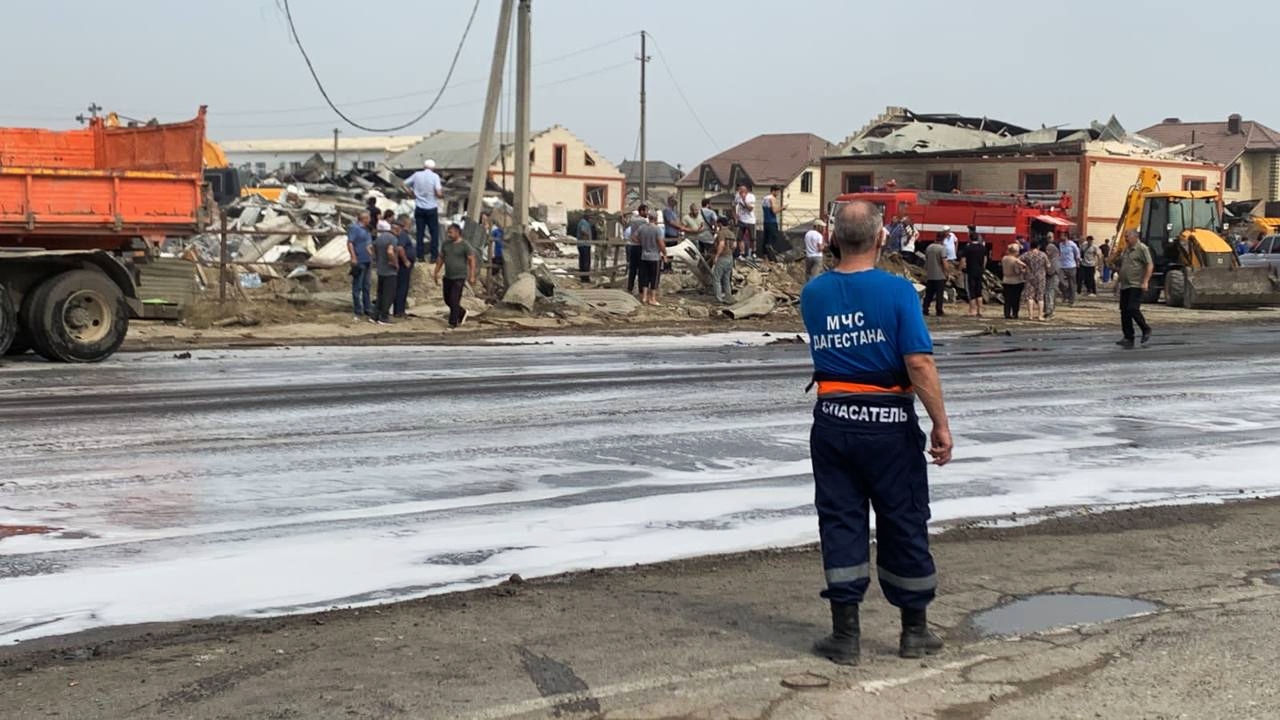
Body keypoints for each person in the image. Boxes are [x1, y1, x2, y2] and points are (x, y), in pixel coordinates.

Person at [800, 199, 952, 667]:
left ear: (832, 239)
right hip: (888, 424)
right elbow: (918, 362)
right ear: (882, 237)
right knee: (903, 518)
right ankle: (914, 632)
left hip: (832, 421)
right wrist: (940, 423)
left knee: (840, 520)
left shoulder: (814, 294)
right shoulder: (899, 291)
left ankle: (845, 636)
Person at [1114, 229, 1153, 349]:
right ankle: (1128, 337)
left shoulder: (1142, 248)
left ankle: (1145, 329)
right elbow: (1124, 267)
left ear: (1135, 237)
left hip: (1136, 284)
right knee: (1124, 311)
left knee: (1132, 308)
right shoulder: (1127, 249)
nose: (1125, 239)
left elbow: (1149, 265)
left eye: (1127, 237)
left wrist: (1145, 281)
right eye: (1125, 236)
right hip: (1125, 285)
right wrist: (1117, 282)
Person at [433, 223, 476, 329]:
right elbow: (441, 258)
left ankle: (452, 322)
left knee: (454, 299)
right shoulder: (446, 244)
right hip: (448, 276)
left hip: (459, 276)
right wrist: (436, 272)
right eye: (448, 232)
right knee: (447, 299)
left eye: (451, 232)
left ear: (457, 232)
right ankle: (462, 312)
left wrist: (472, 275)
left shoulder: (465, 245)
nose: (449, 234)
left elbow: (472, 259)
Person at [405, 159, 444, 262]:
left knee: (420, 233)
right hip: (431, 208)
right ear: (433, 168)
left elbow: (404, 184)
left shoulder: (416, 175)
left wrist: (411, 193)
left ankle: (420, 256)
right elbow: (438, 192)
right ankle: (433, 256)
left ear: (424, 167)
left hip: (419, 207)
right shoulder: (435, 176)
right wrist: (441, 195)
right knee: (434, 233)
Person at [346, 211, 374, 320]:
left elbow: (368, 245)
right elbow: (350, 243)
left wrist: (372, 256)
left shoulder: (367, 230)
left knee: (366, 285)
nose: (370, 220)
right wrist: (353, 256)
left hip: (367, 259)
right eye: (369, 218)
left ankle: (367, 307)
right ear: (364, 218)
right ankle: (358, 308)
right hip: (359, 259)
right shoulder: (355, 228)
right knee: (357, 285)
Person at [372, 220, 399, 324]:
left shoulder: (380, 237)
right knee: (388, 295)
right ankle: (384, 317)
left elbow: (370, 247)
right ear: (397, 229)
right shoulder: (393, 239)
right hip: (389, 271)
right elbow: (390, 251)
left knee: (380, 294)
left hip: (380, 270)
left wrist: (376, 258)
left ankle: (375, 315)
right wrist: (394, 263)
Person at [635, 212, 666, 306]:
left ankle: (644, 297)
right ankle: (652, 298)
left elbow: (633, 236)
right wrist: (664, 253)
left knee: (645, 277)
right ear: (656, 218)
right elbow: (660, 242)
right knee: (654, 278)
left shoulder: (642, 227)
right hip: (654, 257)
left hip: (644, 256)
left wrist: (641, 242)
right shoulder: (657, 229)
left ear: (648, 218)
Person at [959, 235, 988, 317]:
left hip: (970, 271)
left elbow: (963, 260)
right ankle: (980, 310)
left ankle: (972, 310)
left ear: (970, 239)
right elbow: (985, 259)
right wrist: (982, 268)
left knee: (971, 290)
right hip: (979, 271)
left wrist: (960, 269)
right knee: (978, 290)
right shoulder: (982, 248)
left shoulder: (967, 248)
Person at [392, 215, 415, 318]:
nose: (411, 225)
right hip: (403, 265)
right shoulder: (403, 234)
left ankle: (400, 310)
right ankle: (399, 311)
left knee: (402, 287)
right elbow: (400, 248)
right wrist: (405, 261)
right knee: (402, 287)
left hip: (403, 264)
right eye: (410, 223)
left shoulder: (402, 234)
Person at [1022, 241, 1049, 321]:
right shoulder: (1043, 254)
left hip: (1029, 276)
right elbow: (1048, 265)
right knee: (1040, 297)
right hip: (1041, 277)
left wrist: (1024, 267)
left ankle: (1030, 316)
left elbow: (1017, 260)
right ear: (1038, 246)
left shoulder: (1027, 254)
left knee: (1030, 296)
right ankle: (1040, 315)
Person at [711, 219, 735, 303]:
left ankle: (719, 299)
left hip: (723, 257)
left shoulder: (721, 233)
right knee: (726, 279)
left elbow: (721, 244)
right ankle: (728, 297)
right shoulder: (731, 233)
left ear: (720, 224)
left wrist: (717, 256)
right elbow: (734, 246)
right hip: (730, 257)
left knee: (716, 278)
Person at [625, 204, 648, 294]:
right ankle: (641, 289)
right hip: (640, 245)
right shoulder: (643, 221)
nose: (647, 213)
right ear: (641, 211)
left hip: (632, 246)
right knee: (642, 269)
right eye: (646, 211)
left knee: (632, 269)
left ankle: (629, 288)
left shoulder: (632, 219)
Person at [1000, 244, 1027, 319]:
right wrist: (1023, 270)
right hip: (1016, 281)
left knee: (1007, 298)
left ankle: (1007, 313)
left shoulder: (1004, 258)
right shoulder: (1015, 261)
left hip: (1006, 280)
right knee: (1015, 298)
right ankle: (1015, 313)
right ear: (1015, 252)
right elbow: (1017, 271)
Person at [921, 239, 947, 316]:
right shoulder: (942, 249)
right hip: (940, 275)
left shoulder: (929, 247)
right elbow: (944, 262)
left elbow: (926, 259)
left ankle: (925, 309)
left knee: (929, 294)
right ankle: (939, 311)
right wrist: (946, 272)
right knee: (939, 294)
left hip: (930, 274)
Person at [733, 184, 757, 258]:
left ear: (746, 191)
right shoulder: (737, 196)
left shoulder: (751, 197)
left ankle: (753, 252)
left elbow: (750, 209)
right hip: (741, 219)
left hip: (750, 220)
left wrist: (744, 200)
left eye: (741, 190)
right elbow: (733, 206)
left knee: (752, 238)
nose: (740, 192)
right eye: (739, 190)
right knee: (739, 237)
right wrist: (735, 216)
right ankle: (741, 252)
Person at [762, 185, 785, 260]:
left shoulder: (765, 198)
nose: (778, 193)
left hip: (766, 221)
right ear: (773, 191)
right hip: (772, 221)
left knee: (766, 239)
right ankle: (771, 255)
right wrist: (782, 208)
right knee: (773, 238)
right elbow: (774, 211)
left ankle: (765, 256)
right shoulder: (772, 198)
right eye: (777, 191)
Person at [1058, 235, 1080, 306]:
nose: (1061, 237)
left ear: (1066, 236)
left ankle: (1071, 300)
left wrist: (1077, 262)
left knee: (1072, 284)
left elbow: (1077, 253)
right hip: (1062, 266)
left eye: (1062, 235)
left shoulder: (1072, 244)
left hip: (1071, 266)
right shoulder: (1060, 244)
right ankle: (1066, 294)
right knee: (1060, 281)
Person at [1043, 238, 1061, 318]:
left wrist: (1046, 269)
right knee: (1049, 294)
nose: (1047, 252)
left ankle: (1049, 311)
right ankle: (1049, 310)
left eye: (1049, 250)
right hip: (1050, 279)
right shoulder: (1051, 259)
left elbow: (1051, 271)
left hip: (1052, 278)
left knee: (1050, 294)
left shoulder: (1054, 260)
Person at [576, 213, 594, 283]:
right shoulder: (584, 222)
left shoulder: (582, 222)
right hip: (584, 245)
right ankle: (585, 277)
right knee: (586, 261)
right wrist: (587, 236)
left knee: (582, 261)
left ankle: (583, 277)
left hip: (582, 244)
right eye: (589, 217)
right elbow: (583, 230)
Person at [486, 214, 505, 278]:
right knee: (494, 269)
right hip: (498, 255)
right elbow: (489, 238)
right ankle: (491, 278)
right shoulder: (496, 231)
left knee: (504, 271)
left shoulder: (507, 232)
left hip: (505, 255)